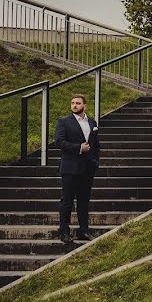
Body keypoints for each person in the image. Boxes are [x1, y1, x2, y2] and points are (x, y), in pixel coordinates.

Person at [53, 94, 100, 243]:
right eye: (72, 103)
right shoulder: (64, 122)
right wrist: (78, 148)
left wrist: (95, 161)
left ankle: (83, 231)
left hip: (87, 169)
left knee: (84, 201)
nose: (74, 105)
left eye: (78, 103)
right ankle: (64, 232)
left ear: (84, 105)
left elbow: (96, 145)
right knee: (66, 201)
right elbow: (59, 142)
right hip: (70, 168)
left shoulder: (92, 123)